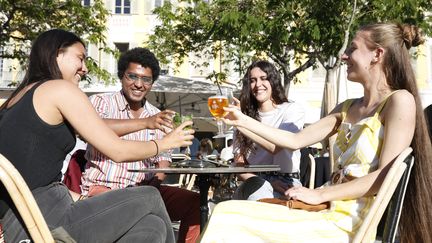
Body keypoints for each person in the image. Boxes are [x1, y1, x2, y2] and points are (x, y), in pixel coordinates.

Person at [201, 23, 432, 242]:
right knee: (225, 212)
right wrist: (241, 120)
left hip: (345, 224)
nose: (344, 56)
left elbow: (385, 176)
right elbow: (294, 140)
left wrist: (320, 195)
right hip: (319, 210)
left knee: (228, 217)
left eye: (352, 48)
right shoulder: (347, 107)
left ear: (377, 54)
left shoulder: (399, 101)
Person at [0, 29, 195, 242]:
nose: (84, 69)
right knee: (150, 196)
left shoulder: (17, 97)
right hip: (43, 220)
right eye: (80, 58)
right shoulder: (59, 89)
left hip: (28, 218)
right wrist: (164, 143)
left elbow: (35, 170)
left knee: (151, 226)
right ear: (57, 54)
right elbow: (117, 150)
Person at [80, 47, 200, 243]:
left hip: (145, 190)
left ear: (152, 83)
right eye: (132, 76)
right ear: (121, 76)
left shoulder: (157, 115)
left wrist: (156, 181)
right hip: (104, 189)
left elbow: (163, 162)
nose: (138, 84)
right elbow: (93, 128)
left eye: (146, 79)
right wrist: (145, 123)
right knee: (146, 217)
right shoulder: (101, 102)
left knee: (195, 202)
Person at [232, 60, 305, 200]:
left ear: (273, 81)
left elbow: (275, 147)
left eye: (263, 79)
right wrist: (267, 182)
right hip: (253, 180)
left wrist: (241, 123)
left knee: (261, 203)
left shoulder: (291, 110)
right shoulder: (242, 116)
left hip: (286, 181)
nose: (258, 84)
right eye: (252, 80)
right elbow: (239, 166)